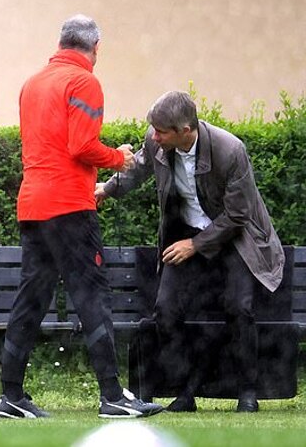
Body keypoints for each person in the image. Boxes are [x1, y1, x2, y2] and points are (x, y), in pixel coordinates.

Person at [0, 15, 163, 419]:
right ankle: (112, 396)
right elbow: (82, 146)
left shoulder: (32, 83)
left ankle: (10, 396)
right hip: (69, 206)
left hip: (31, 205)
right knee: (92, 296)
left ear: (61, 43)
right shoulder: (84, 81)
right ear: (95, 47)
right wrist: (120, 158)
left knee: (31, 299)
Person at [96, 91, 284, 413]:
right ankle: (185, 393)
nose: (154, 137)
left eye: (161, 132)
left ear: (185, 130)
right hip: (185, 235)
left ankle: (247, 393)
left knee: (239, 307)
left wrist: (195, 245)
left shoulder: (230, 150)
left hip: (234, 238)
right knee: (165, 310)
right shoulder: (158, 141)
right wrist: (106, 189)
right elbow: (139, 166)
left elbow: (238, 215)